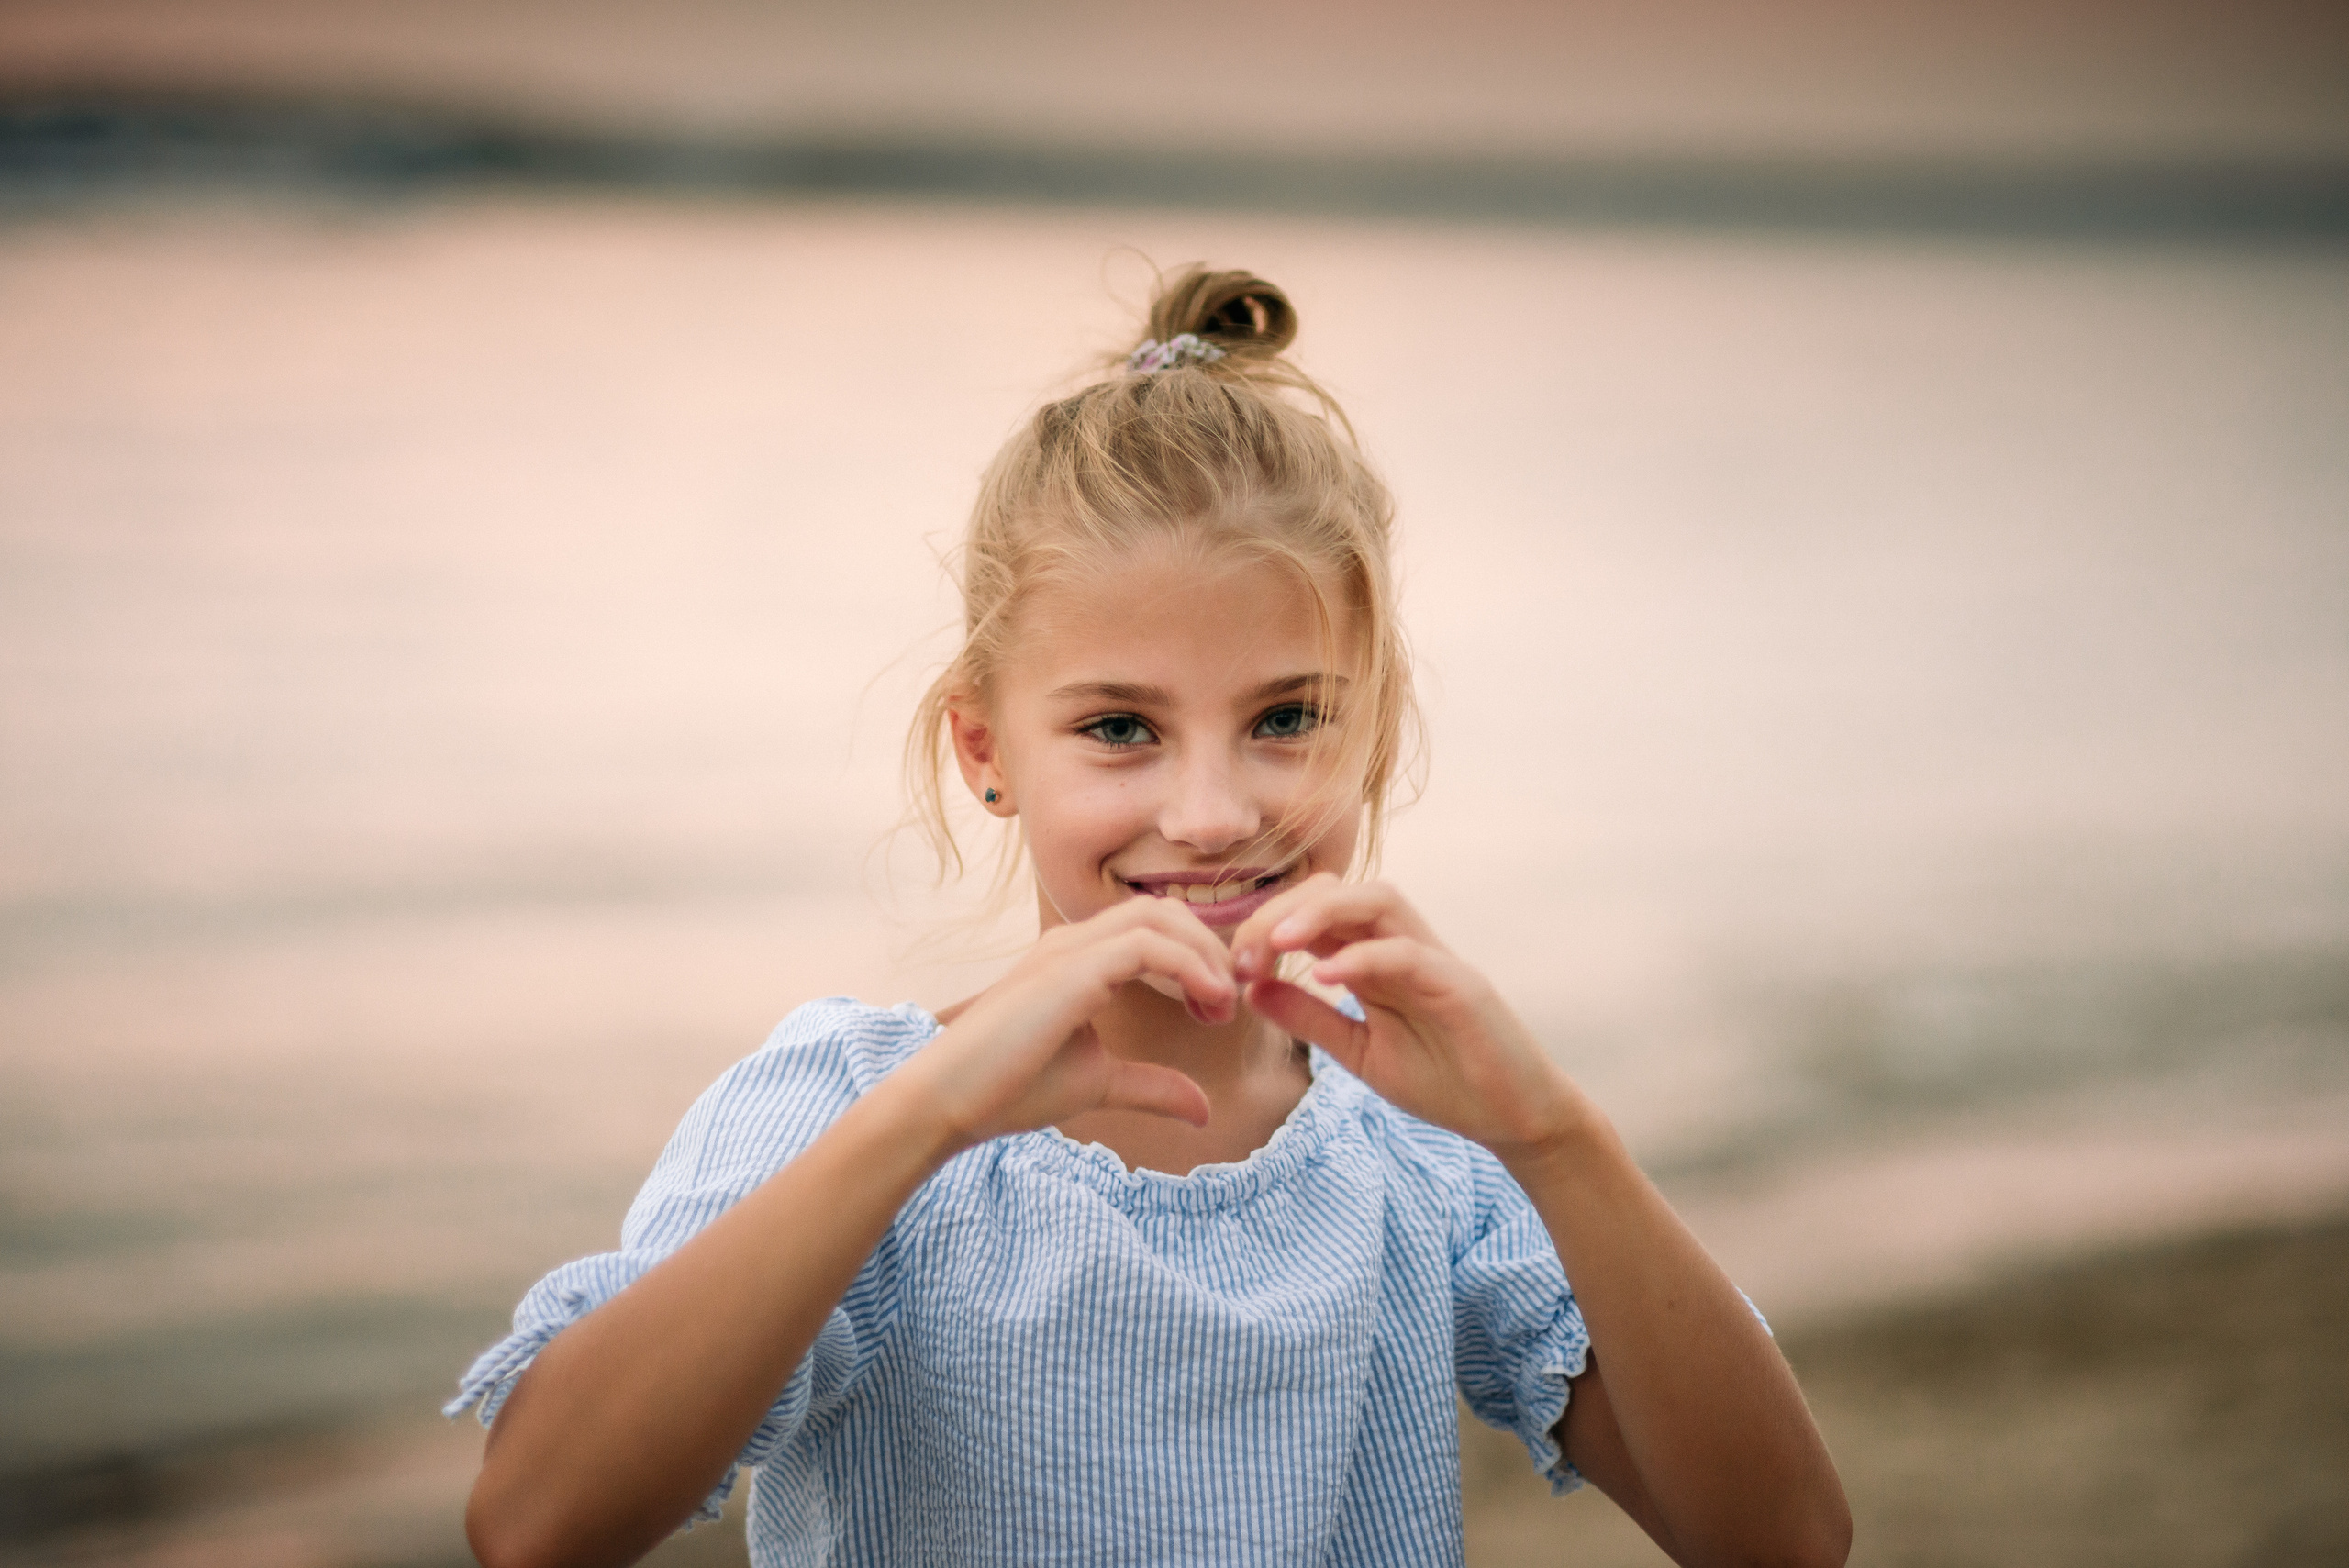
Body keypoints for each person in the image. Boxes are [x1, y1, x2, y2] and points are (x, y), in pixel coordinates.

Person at [451, 266, 1851, 1568]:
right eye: (1121, 726)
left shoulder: (1421, 1146)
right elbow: (537, 1521)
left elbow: (1783, 1537)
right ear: (986, 751)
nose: (1211, 812)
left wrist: (1555, 1135)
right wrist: (919, 1121)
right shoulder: (857, 1106)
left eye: (1287, 718)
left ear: (1371, 732)